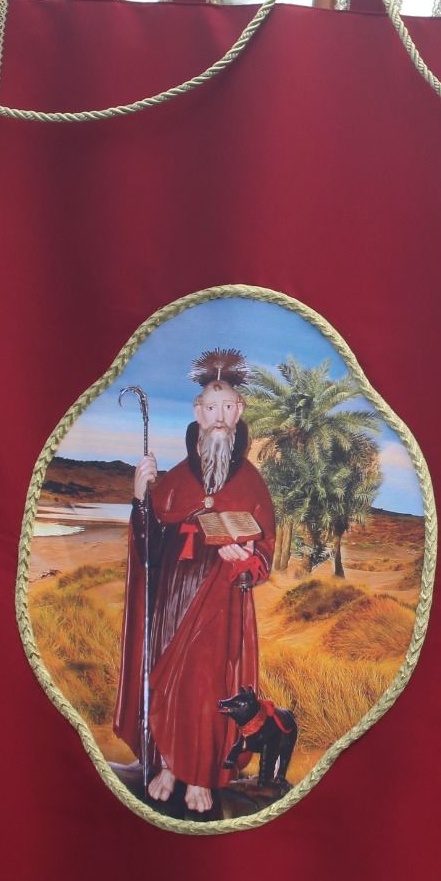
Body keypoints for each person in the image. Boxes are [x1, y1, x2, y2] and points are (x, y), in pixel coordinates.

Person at [114, 349, 277, 816]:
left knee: (206, 686)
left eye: (228, 407)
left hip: (220, 601)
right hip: (172, 600)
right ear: (197, 413)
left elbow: (264, 552)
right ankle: (167, 763)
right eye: (211, 407)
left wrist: (246, 558)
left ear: (240, 411)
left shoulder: (251, 482)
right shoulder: (177, 480)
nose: (220, 417)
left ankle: (202, 775)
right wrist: (141, 498)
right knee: (166, 681)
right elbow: (150, 542)